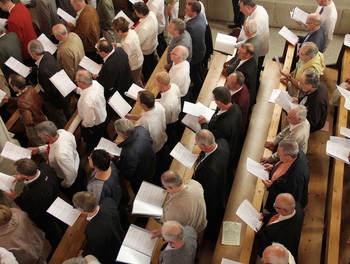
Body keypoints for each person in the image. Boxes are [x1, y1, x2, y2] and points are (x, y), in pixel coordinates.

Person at [3, 158, 62, 249]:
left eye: (19, 174)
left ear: (25, 176)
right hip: (56, 200)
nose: (17, 175)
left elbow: (31, 211)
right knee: (62, 222)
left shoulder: (32, 195)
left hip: (44, 214)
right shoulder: (45, 167)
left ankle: (58, 246)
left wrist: (16, 198)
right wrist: (21, 178)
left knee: (52, 233)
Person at [33, 120, 86, 200]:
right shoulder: (62, 133)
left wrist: (64, 185)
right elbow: (52, 146)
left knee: (77, 197)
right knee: (83, 185)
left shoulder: (60, 155)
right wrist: (39, 149)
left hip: (71, 178)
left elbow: (71, 175)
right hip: (77, 163)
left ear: (47, 137)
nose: (40, 138)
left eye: (40, 136)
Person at [194, 129, 229, 239]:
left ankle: (212, 235)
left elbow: (209, 192)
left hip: (212, 196)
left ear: (203, 146)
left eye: (197, 144)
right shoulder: (222, 142)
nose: (197, 145)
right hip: (222, 181)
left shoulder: (210, 169)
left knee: (212, 214)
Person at [72, 192, 125, 264]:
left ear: (82, 211)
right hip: (120, 236)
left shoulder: (93, 230)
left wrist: (84, 253)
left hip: (112, 254)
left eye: (75, 207)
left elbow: (97, 251)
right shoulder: (108, 201)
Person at [198, 86, 242, 168]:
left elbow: (210, 138)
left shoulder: (223, 125)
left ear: (219, 102)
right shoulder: (236, 107)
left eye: (214, 99)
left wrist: (203, 124)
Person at [28, 39, 68, 128]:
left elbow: (51, 90)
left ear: (33, 53)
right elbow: (45, 67)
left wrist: (45, 98)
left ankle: (64, 128)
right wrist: (34, 69)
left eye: (29, 52)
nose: (29, 54)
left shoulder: (44, 70)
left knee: (58, 116)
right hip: (61, 90)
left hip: (54, 100)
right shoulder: (47, 54)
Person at [262, 140, 309, 213]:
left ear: (288, 157)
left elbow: (291, 200)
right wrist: (274, 167)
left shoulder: (295, 178)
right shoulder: (296, 152)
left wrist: (271, 187)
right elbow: (283, 165)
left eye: (279, 154)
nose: (278, 155)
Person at [256, 193, 304, 262]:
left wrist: (259, 233)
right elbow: (277, 214)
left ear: (284, 211)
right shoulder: (295, 206)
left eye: (276, 206)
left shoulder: (286, 234)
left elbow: (270, 245)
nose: (274, 206)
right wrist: (265, 216)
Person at [3, 74, 47, 146]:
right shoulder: (30, 88)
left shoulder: (22, 102)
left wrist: (22, 119)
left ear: (15, 88)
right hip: (42, 117)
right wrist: (10, 99)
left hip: (35, 127)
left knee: (40, 144)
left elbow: (28, 121)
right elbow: (26, 100)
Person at [113, 118, 156, 194]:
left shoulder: (130, 153)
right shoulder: (141, 129)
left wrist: (113, 158)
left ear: (122, 134)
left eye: (116, 132)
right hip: (150, 162)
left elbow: (127, 172)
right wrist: (123, 143)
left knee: (141, 192)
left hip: (141, 176)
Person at [75, 69, 107, 153]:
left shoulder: (87, 101)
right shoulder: (95, 84)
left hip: (95, 127)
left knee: (93, 143)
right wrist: (77, 90)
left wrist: (82, 124)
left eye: (77, 81)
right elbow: (86, 90)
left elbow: (90, 122)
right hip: (102, 116)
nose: (76, 82)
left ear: (83, 83)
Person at [238, 0, 269, 81]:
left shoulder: (258, 20)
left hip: (257, 51)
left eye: (241, 8)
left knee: (254, 72)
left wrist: (236, 45)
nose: (240, 10)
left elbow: (251, 39)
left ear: (248, 7)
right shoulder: (257, 9)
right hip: (253, 46)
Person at [113, 17, 144, 88]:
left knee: (136, 81)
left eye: (116, 31)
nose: (115, 32)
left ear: (120, 31)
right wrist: (117, 45)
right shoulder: (131, 32)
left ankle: (141, 92)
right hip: (139, 58)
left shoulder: (126, 43)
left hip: (134, 65)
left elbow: (125, 59)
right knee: (138, 75)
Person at [185, 1, 206, 101]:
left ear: (193, 13)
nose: (185, 11)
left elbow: (187, 42)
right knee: (199, 71)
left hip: (194, 54)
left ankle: (198, 93)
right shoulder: (201, 16)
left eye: (187, 10)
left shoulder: (190, 26)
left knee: (195, 75)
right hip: (201, 50)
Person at [133, 1, 158, 83]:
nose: (135, 13)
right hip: (152, 44)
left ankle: (148, 80)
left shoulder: (144, 28)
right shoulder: (151, 14)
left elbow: (138, 42)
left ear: (140, 13)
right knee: (152, 61)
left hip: (146, 50)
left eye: (136, 12)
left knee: (147, 67)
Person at [156, 71, 181, 149]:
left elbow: (166, 120)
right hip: (177, 112)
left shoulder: (166, 104)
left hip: (170, 122)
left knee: (171, 138)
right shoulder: (174, 86)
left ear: (161, 84)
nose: (155, 83)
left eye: (156, 81)